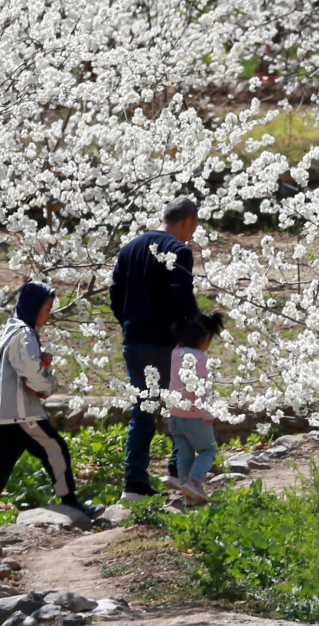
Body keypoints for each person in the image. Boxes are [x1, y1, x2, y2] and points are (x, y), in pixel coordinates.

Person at [0, 281, 97, 542]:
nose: (48, 313)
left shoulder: (14, 331)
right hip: (22, 410)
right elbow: (31, 375)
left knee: (0, 464)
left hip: (7, 410)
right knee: (55, 449)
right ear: (33, 307)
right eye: (46, 308)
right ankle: (70, 500)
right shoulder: (23, 334)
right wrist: (49, 384)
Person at [108, 198, 200, 504]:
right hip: (167, 342)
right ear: (187, 221)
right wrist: (193, 335)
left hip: (134, 340)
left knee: (142, 411)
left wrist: (129, 324)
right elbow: (182, 300)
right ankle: (177, 472)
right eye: (194, 225)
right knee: (181, 404)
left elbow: (116, 294)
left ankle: (133, 483)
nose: (193, 232)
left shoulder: (130, 248)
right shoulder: (179, 251)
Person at [165, 310, 225, 505]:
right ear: (206, 338)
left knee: (184, 452)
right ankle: (195, 482)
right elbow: (201, 391)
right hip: (195, 415)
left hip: (175, 413)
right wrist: (208, 414)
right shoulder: (200, 358)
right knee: (208, 451)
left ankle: (188, 494)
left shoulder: (176, 352)